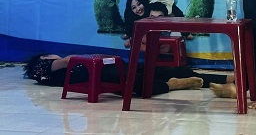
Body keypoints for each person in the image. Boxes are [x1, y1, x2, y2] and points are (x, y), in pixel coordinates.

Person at [22, 53, 230, 95]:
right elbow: (68, 61)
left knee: (143, 77)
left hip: (107, 72)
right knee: (142, 77)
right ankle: (174, 83)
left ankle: (228, 79)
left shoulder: (46, 78)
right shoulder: (43, 66)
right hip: (103, 72)